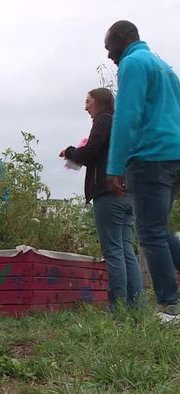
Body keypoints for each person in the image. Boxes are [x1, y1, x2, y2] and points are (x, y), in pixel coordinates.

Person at [104, 20, 180, 321]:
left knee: (149, 234)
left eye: (110, 48)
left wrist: (115, 166)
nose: (109, 56)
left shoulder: (133, 63)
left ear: (123, 40)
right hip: (174, 157)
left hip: (151, 158)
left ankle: (169, 305)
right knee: (158, 230)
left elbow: (127, 115)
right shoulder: (163, 66)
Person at [60, 88, 143, 311]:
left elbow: (90, 153)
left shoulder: (104, 120)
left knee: (114, 251)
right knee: (126, 250)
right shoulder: (122, 123)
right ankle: (137, 307)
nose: (86, 107)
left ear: (100, 103)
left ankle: (117, 309)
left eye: (88, 102)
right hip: (128, 193)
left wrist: (70, 152)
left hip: (108, 193)